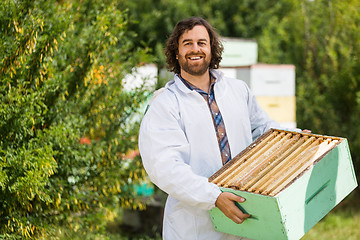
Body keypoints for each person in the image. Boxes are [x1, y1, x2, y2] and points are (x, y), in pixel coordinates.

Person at [138, 16, 281, 240]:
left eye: (201, 43)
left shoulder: (237, 90)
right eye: (187, 43)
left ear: (212, 49)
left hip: (247, 215)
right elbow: (164, 166)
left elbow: (262, 129)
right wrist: (214, 197)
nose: (195, 49)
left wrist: (293, 139)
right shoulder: (165, 104)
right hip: (195, 227)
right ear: (176, 53)